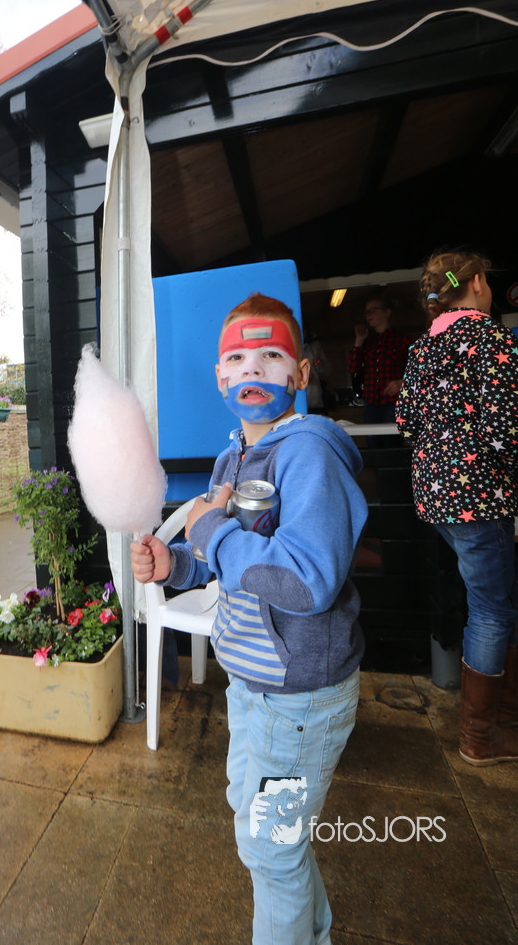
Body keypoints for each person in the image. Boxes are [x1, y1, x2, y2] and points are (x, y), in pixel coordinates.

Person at [131, 292, 367, 945]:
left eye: (270, 355)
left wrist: (211, 533)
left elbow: (305, 580)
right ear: (219, 377)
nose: (252, 368)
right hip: (250, 683)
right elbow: (221, 562)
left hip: (296, 698)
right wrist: (175, 564)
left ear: (300, 372)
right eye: (236, 359)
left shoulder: (307, 454)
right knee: (264, 831)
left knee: (270, 849)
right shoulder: (230, 458)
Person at [396, 249, 518, 766]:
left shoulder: (423, 347)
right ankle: (479, 739)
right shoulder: (492, 338)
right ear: (477, 283)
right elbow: (506, 429)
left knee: (494, 601)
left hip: (436, 499)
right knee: (492, 610)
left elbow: (405, 422)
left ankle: (498, 718)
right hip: (480, 498)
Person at [347, 296, 410, 433]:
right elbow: (352, 367)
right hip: (371, 402)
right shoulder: (368, 341)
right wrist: (359, 340)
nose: (368, 315)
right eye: (366, 312)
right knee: (372, 440)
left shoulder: (402, 339)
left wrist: (401, 382)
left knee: (391, 440)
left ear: (387, 312)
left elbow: (416, 369)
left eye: (373, 310)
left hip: (393, 401)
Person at [303, 325, 331, 416]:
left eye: (303, 329)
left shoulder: (313, 344)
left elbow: (327, 372)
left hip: (316, 404)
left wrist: (320, 365)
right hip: (292, 406)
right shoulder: (284, 346)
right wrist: (300, 378)